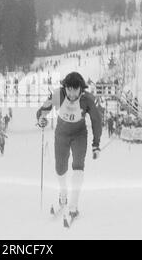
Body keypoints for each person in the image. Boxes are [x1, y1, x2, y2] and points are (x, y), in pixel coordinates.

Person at [36, 72, 102, 219]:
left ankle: (73, 205)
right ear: (64, 87)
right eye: (69, 89)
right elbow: (42, 110)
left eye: (75, 89)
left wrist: (96, 144)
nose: (71, 93)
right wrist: (41, 118)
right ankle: (63, 192)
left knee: (78, 166)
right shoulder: (58, 94)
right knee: (60, 168)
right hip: (62, 134)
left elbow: (97, 121)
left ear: (81, 89)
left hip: (79, 134)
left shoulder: (87, 99)